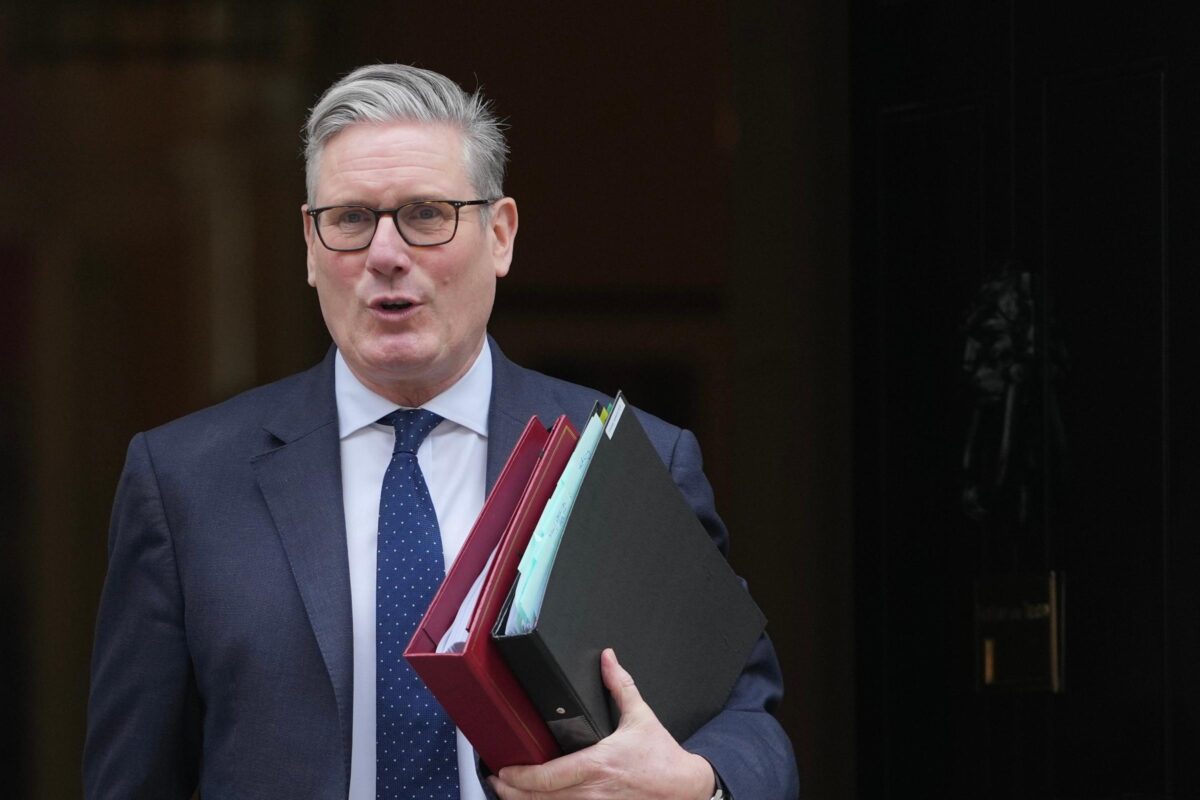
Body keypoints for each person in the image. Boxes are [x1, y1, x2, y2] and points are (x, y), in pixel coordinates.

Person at [83, 64, 799, 800]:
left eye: (426, 214)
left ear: (501, 234)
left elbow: (751, 725)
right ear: (308, 242)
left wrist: (695, 783)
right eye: (351, 218)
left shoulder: (620, 454)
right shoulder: (185, 482)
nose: (386, 254)